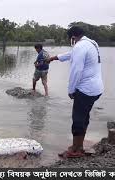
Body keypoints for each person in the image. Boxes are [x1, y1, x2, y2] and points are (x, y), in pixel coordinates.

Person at [47, 26, 104, 158]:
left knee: (78, 119)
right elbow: (72, 54)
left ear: (73, 37)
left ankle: (75, 150)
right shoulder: (91, 43)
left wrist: (71, 90)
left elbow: (76, 70)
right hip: (96, 88)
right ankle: (80, 146)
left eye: (71, 39)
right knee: (84, 117)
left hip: (85, 89)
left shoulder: (79, 46)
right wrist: (54, 57)